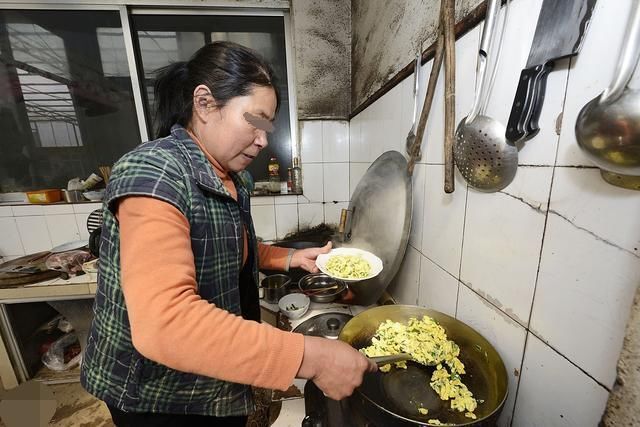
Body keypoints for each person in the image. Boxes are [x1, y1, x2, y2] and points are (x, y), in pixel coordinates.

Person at [80, 41, 376, 426]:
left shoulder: (233, 178)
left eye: (268, 127)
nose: (263, 140)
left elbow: (224, 244)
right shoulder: (154, 171)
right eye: (255, 121)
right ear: (204, 104)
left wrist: (287, 258)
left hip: (214, 378)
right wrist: (312, 357)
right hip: (155, 396)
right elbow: (163, 324)